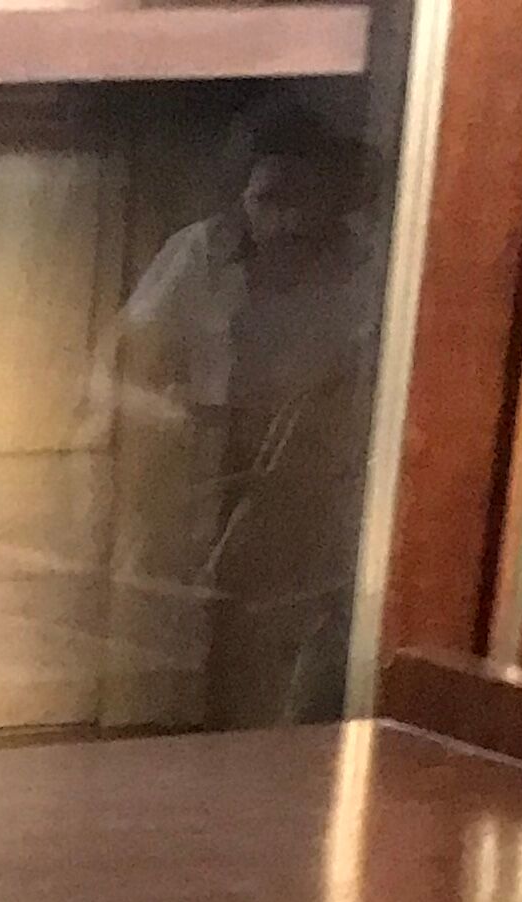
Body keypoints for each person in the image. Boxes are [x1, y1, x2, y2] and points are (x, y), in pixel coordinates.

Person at [99, 109, 386, 734]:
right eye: (268, 199)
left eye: (303, 201)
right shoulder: (197, 253)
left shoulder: (365, 271)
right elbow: (118, 372)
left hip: (305, 503)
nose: (284, 220)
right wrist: (176, 425)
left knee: (268, 687)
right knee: (159, 688)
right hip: (190, 485)